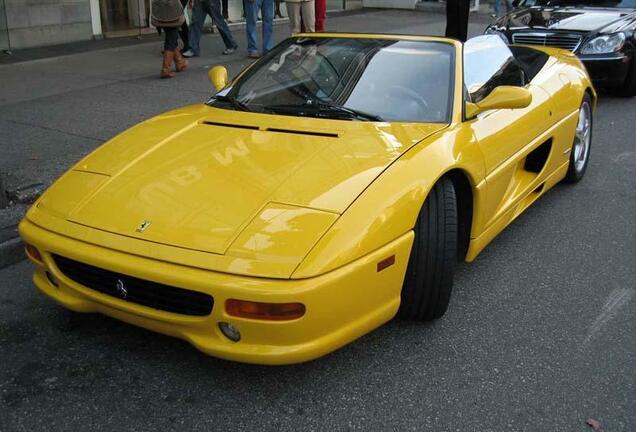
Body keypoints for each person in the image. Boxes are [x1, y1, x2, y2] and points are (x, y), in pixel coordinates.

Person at [151, 0, 189, 78]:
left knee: (170, 34)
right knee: (171, 37)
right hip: (172, 8)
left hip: (162, 9)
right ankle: (166, 69)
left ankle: (179, 62)